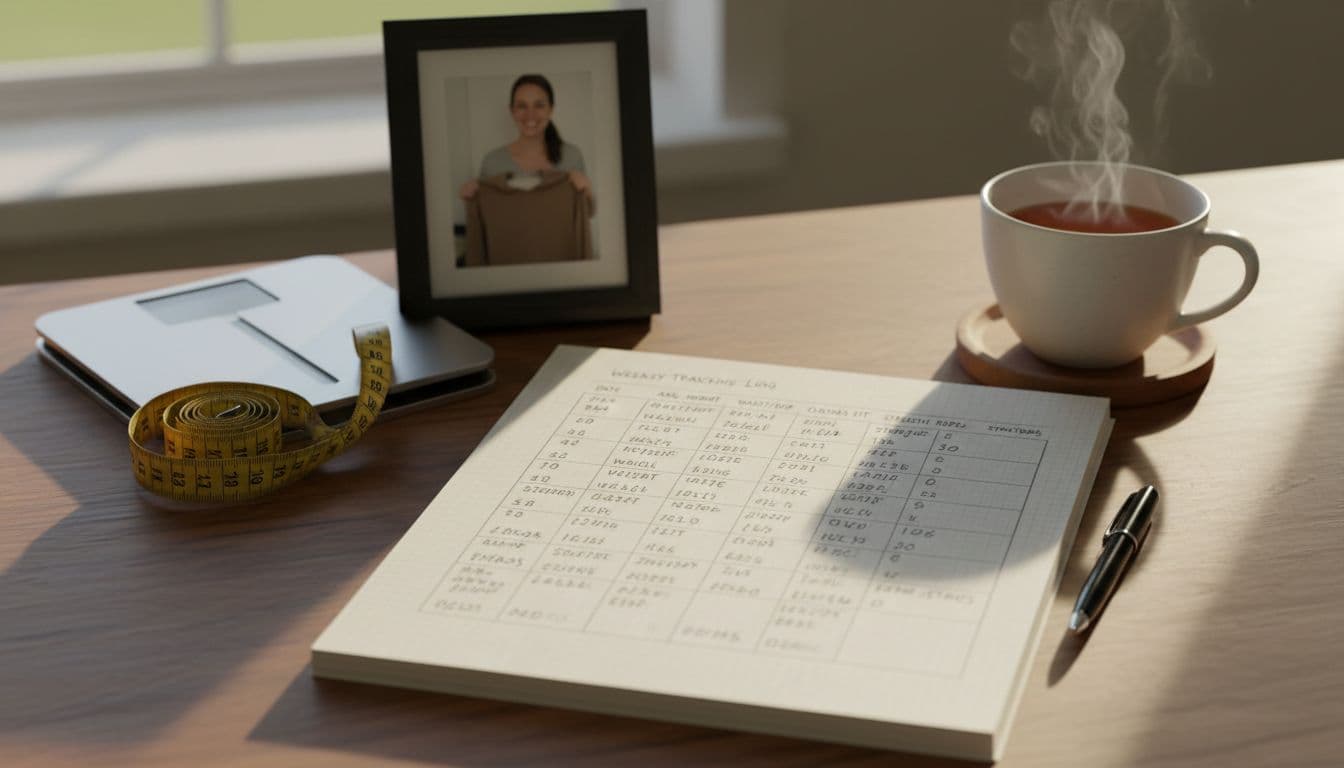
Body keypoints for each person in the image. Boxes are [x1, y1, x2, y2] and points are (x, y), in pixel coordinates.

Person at [459, 74, 592, 204]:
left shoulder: (571, 157)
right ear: (512, 111)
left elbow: (585, 214)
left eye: (539, 105)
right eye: (522, 106)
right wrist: (472, 195)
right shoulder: (493, 162)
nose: (530, 114)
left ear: (550, 109)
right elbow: (483, 219)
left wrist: (587, 192)